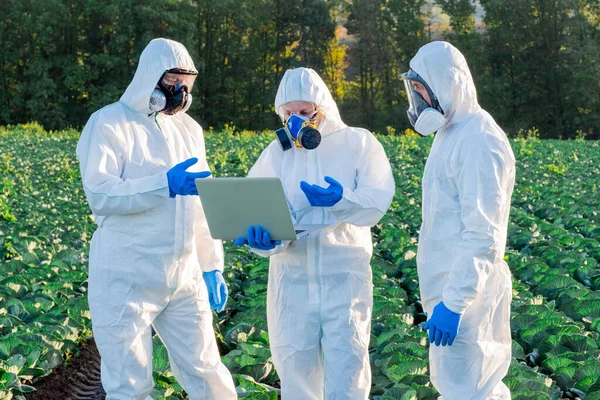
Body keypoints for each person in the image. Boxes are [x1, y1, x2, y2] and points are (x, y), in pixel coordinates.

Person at [76, 38, 237, 399]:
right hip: (127, 275)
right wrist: (163, 184)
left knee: (207, 371)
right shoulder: (109, 124)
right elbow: (101, 195)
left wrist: (211, 264)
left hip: (183, 274)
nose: (180, 93)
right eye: (173, 83)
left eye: (187, 86)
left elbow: (201, 204)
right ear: (151, 77)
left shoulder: (190, 131)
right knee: (128, 382)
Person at [234, 67, 395, 399]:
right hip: (292, 283)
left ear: (323, 107)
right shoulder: (277, 153)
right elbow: (253, 207)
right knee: (295, 376)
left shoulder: (357, 143)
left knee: (348, 375)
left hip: (344, 281)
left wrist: (343, 200)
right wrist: (262, 241)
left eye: (305, 112)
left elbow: (377, 201)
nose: (297, 120)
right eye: (289, 113)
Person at [401, 41, 515, 399]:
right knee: (460, 389)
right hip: (452, 290)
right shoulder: (451, 133)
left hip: (468, 296)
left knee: (475, 390)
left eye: (421, 90)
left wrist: (454, 303)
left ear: (446, 85)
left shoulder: (479, 140)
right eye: (415, 91)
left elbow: (483, 234)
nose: (417, 101)